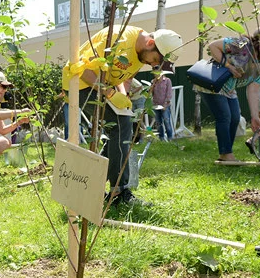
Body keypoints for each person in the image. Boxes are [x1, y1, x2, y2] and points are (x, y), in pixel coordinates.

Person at [62, 27, 182, 205]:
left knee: (119, 130)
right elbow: (82, 69)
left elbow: (125, 78)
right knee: (121, 125)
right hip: (79, 83)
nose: (152, 65)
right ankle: (119, 191)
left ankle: (95, 184)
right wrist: (110, 94)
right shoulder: (119, 39)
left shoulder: (143, 53)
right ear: (150, 43)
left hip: (102, 86)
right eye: (155, 59)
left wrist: (123, 96)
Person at [197, 34, 260, 161]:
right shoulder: (241, 44)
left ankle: (225, 154)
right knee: (224, 116)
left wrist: (255, 116)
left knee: (235, 118)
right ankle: (227, 153)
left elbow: (253, 90)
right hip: (214, 82)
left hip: (229, 89)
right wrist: (229, 66)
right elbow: (213, 46)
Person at [151, 69, 173, 141]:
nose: (155, 74)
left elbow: (169, 93)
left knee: (167, 121)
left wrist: (165, 104)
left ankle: (170, 138)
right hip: (156, 105)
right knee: (158, 122)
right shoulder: (153, 81)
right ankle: (161, 138)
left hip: (165, 105)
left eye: (156, 73)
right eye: (154, 73)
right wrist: (153, 85)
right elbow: (151, 93)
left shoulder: (167, 80)